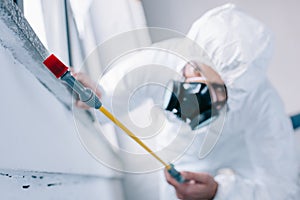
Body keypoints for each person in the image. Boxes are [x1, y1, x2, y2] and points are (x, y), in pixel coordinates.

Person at [74, 4, 299, 200]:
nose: (196, 94)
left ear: (238, 93)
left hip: (243, 151)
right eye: (197, 72)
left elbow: (279, 190)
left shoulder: (265, 109)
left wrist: (219, 192)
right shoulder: (162, 61)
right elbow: (117, 92)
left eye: (218, 91)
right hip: (183, 152)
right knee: (179, 190)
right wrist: (97, 95)